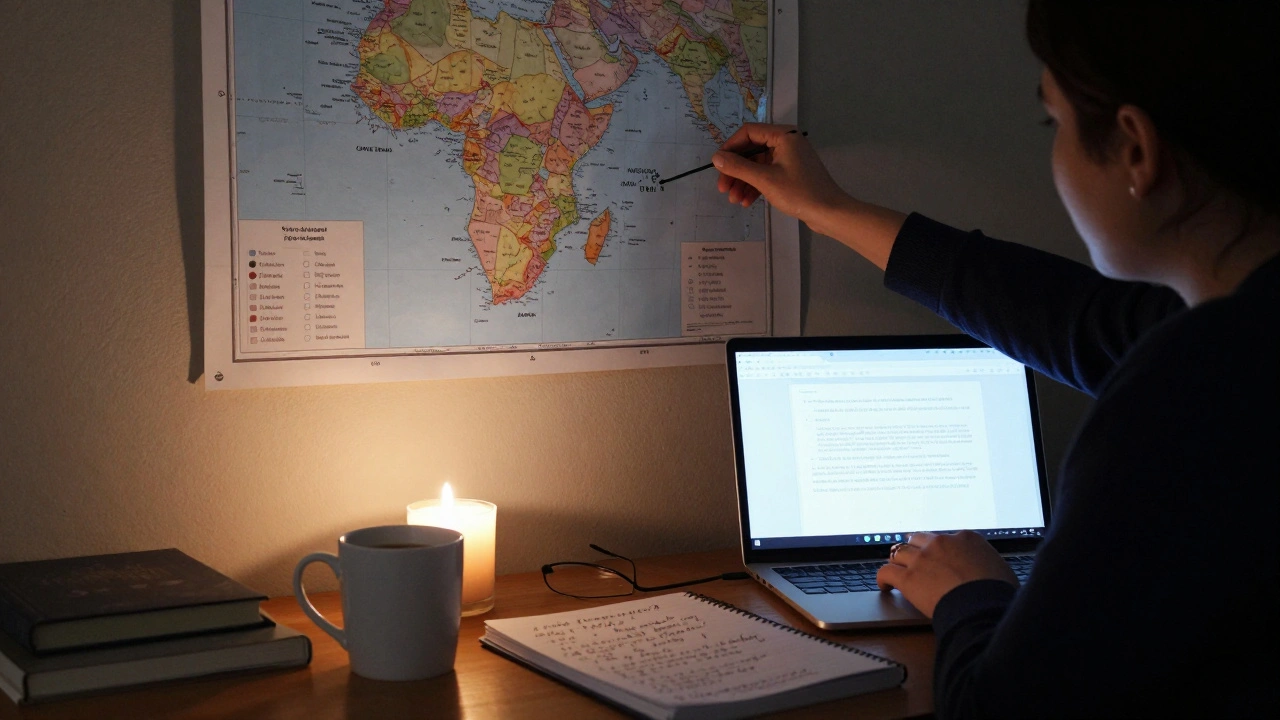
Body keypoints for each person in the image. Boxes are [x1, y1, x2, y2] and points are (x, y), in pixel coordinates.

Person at [711, 2, 1278, 717]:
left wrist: (970, 593)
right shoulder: (1228, 337)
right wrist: (826, 207)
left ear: (1137, 148)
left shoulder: (1191, 388)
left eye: (1056, 123)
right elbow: (1064, 316)